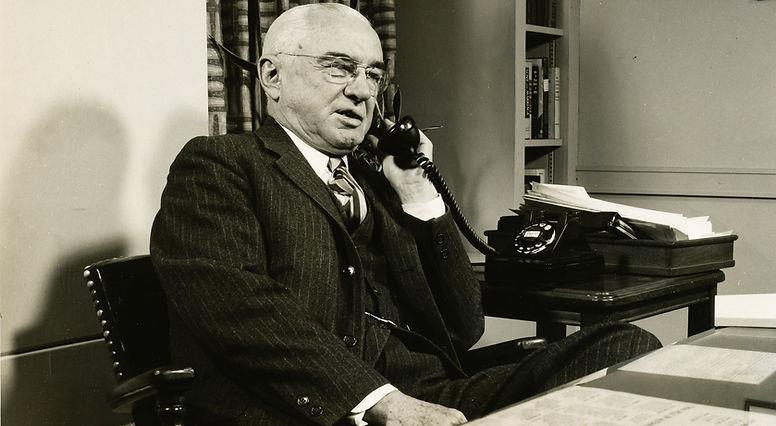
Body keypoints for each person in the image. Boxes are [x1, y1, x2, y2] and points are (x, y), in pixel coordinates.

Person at [150, 4, 661, 425]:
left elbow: (464, 327)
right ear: (272, 76)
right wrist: (379, 402)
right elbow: (242, 311)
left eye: (373, 74)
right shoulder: (221, 165)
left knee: (627, 346)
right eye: (338, 67)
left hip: (431, 395)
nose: (362, 91)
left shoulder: (378, 180)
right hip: (316, 412)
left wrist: (419, 195)